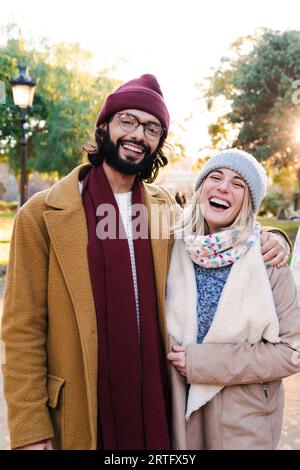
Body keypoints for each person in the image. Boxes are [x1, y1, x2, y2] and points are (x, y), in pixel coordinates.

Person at [1, 76, 290, 451]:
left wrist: (272, 237)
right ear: (103, 126)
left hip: (154, 401)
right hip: (83, 405)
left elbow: (219, 229)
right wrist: (29, 428)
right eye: (128, 121)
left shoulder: (164, 209)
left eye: (151, 128)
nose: (139, 135)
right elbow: (22, 330)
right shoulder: (41, 215)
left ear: (158, 143)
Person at [166, 149, 300, 450]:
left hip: (243, 424)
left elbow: (293, 350)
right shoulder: (169, 248)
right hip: (177, 418)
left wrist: (205, 363)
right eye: (215, 177)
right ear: (201, 190)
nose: (223, 187)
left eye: (238, 184)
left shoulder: (267, 260)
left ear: (249, 202)